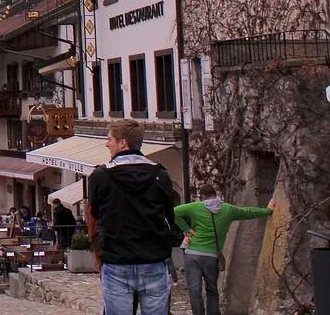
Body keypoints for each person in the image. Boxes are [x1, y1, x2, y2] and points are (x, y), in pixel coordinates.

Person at [89, 118, 177, 315]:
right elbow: (169, 216)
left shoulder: (101, 176)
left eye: (110, 139)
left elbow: (95, 214)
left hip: (117, 261)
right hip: (153, 260)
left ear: (122, 143)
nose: (107, 143)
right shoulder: (160, 175)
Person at [175, 184, 276, 315]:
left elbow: (173, 212)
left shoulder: (195, 207)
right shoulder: (228, 209)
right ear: (215, 194)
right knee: (212, 289)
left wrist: (186, 229)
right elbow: (248, 212)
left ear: (203, 196)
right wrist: (267, 210)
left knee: (194, 289)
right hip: (211, 256)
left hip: (192, 254)